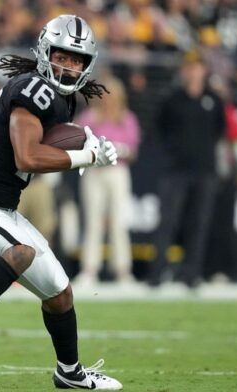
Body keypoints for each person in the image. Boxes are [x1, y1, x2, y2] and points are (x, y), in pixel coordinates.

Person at [0, 15, 123, 389]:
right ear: (46, 52)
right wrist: (86, 157)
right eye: (63, 56)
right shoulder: (33, 87)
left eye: (78, 60)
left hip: (0, 206)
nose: (69, 66)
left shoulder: (62, 103)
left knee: (60, 292)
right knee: (21, 252)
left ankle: (69, 372)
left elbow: (39, 154)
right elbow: (27, 158)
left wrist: (84, 145)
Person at [148, 50, 224, 289]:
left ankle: (191, 274)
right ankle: (157, 274)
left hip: (205, 170)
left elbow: (219, 131)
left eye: (197, 67)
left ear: (204, 70)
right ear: (183, 71)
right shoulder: (172, 100)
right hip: (176, 170)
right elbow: (159, 129)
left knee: (199, 223)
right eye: (189, 68)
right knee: (168, 222)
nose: (193, 72)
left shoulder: (214, 101)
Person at [76, 75, 141, 286]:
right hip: (94, 171)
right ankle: (89, 269)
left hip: (117, 171)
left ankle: (122, 270)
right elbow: (76, 141)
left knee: (119, 221)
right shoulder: (89, 117)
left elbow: (133, 152)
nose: (107, 100)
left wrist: (119, 149)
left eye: (111, 95)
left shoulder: (127, 118)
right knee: (93, 220)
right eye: (104, 95)